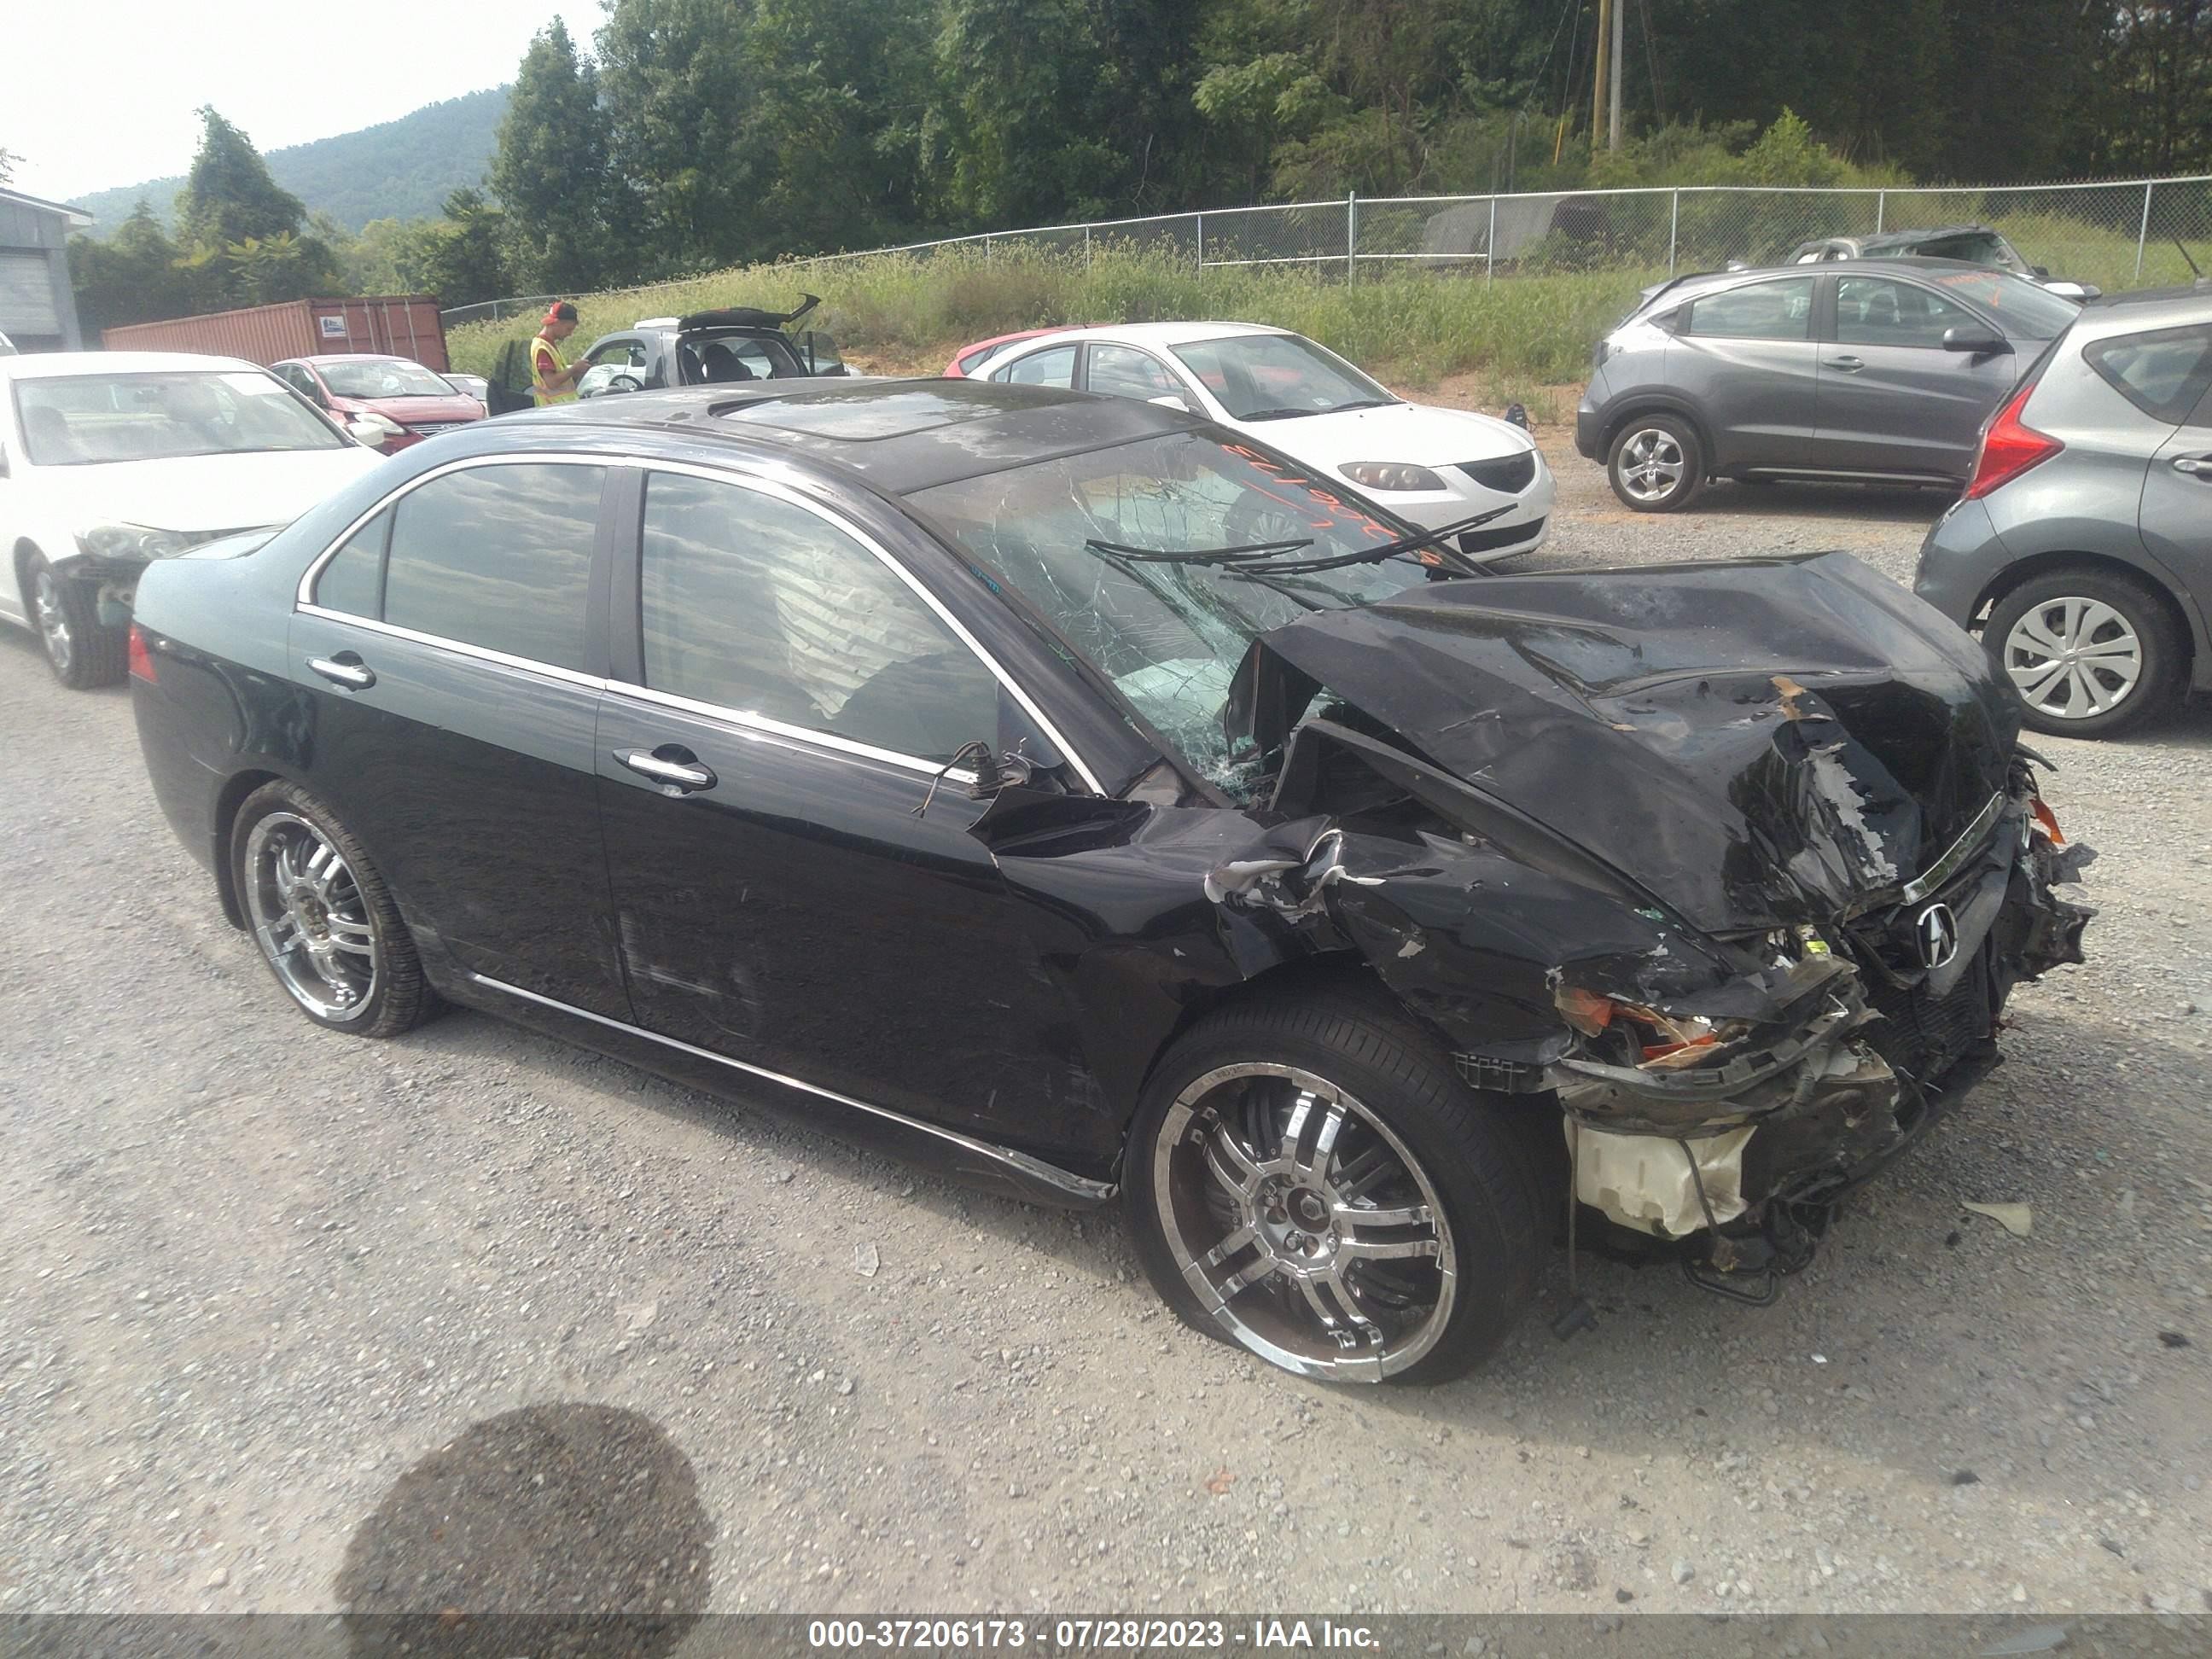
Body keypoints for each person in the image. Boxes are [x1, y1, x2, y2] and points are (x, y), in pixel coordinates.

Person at [530, 302, 589, 406]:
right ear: (556, 323)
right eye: (569, 329)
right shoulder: (543, 348)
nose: (570, 334)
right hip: (554, 410)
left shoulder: (548, 345)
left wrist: (574, 372)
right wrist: (573, 369)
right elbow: (551, 382)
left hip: (558, 409)